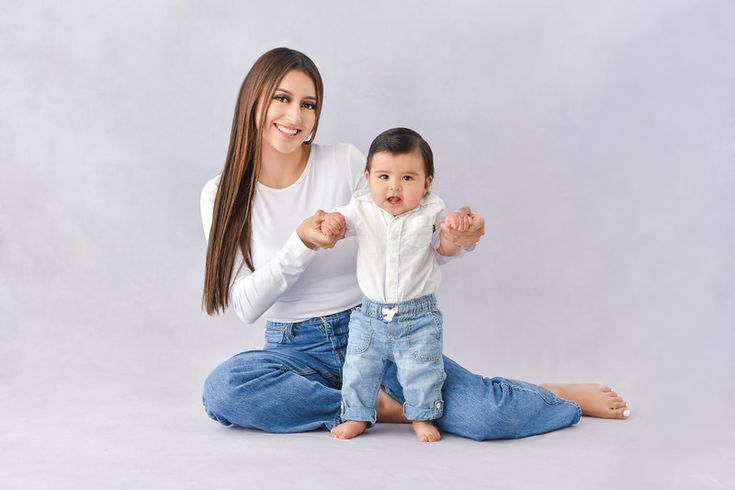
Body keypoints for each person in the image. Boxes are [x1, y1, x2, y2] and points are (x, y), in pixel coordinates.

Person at [200, 47, 630, 441]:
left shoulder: (346, 162)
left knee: (486, 418)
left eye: (308, 104)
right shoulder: (220, 195)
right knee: (225, 390)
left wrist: (453, 241)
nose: (295, 116)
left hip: (374, 330)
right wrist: (300, 243)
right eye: (282, 98)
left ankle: (545, 395)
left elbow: (404, 247)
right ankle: (387, 407)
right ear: (254, 99)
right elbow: (245, 306)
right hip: (293, 350)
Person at [320, 127, 473, 442]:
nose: (394, 187)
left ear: (426, 183)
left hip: (418, 316)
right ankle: (356, 415)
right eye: (384, 176)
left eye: (407, 178)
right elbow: (340, 220)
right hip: (370, 314)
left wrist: (454, 232)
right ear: (368, 178)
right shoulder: (362, 208)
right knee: (359, 368)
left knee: (422, 369)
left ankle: (421, 415)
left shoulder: (431, 211)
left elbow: (444, 248)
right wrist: (333, 223)